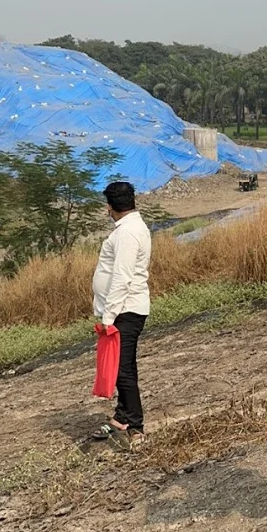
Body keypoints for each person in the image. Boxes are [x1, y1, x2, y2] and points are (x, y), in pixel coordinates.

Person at [92, 181, 152, 447]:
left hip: (125, 310)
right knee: (123, 366)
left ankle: (135, 426)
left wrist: (108, 317)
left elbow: (122, 277)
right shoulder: (130, 227)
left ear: (109, 207)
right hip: (124, 309)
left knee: (121, 370)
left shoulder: (127, 233)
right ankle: (122, 416)